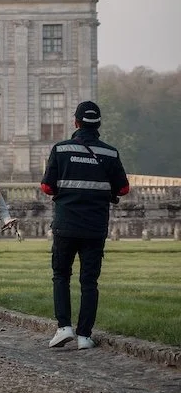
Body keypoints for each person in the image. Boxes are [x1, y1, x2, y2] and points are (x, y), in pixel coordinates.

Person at [41, 101, 130, 350]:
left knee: (61, 276)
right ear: (98, 124)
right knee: (89, 282)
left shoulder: (61, 149)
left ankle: (64, 328)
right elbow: (124, 188)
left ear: (76, 122)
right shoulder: (110, 153)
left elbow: (46, 187)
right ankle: (84, 336)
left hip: (66, 224)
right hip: (95, 226)